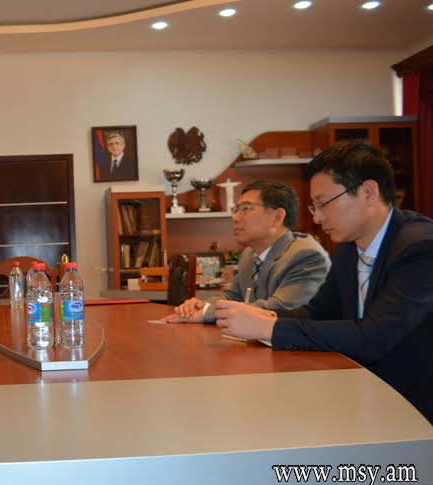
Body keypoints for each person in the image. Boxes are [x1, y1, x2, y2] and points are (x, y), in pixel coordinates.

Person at [215, 140, 433, 428]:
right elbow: (319, 312)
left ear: (368, 192)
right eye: (314, 206)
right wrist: (262, 316)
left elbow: (374, 338)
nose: (317, 218)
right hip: (360, 395)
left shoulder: (420, 248)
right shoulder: (348, 249)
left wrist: (269, 328)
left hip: (414, 410)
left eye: (324, 203)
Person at [164, 181, 329, 323]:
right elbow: (233, 296)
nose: (235, 217)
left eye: (246, 209)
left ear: (277, 217)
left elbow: (279, 309)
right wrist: (200, 305)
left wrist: (207, 312)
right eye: (236, 209)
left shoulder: (306, 255)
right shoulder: (249, 254)